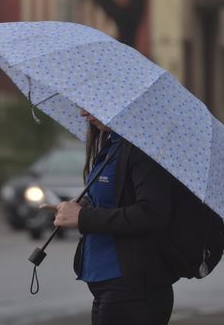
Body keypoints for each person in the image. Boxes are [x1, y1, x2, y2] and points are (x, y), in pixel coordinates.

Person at [44, 108, 180, 325]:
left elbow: (152, 214)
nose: (82, 113)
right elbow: (117, 199)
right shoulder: (113, 144)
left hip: (132, 288)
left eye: (91, 104)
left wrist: (83, 217)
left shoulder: (144, 151)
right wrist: (81, 206)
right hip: (107, 284)